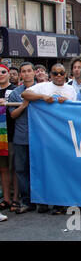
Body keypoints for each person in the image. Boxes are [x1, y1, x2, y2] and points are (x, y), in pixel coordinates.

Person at [21, 64, 76, 215]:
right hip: (45, 135)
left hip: (64, 136)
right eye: (55, 73)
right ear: (50, 75)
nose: (59, 76)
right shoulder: (43, 86)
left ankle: (60, 203)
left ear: (66, 74)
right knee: (45, 168)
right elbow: (25, 95)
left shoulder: (71, 90)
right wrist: (42, 97)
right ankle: (44, 201)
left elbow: (76, 111)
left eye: (61, 73)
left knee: (62, 169)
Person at [9, 63, 47, 214]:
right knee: (21, 170)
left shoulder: (43, 89)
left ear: (34, 73)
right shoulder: (15, 93)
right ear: (20, 75)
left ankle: (42, 201)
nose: (26, 74)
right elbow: (12, 115)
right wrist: (24, 105)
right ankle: (27, 201)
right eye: (23, 71)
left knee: (40, 169)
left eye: (29, 71)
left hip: (40, 136)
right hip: (21, 136)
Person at [0, 64, 19, 213]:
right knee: (3, 168)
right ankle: (5, 198)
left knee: (14, 168)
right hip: (0, 137)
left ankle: (15, 198)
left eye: (3, 72)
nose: (1, 74)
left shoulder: (15, 90)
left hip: (12, 133)